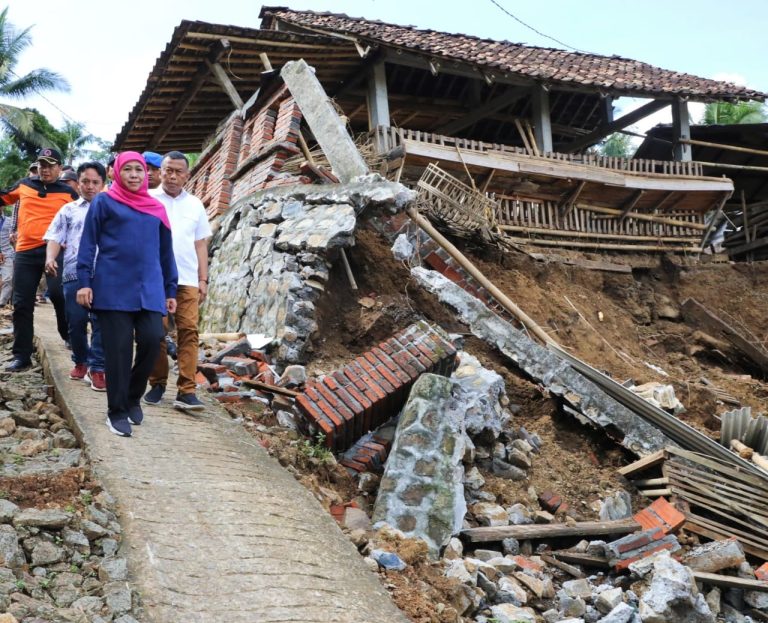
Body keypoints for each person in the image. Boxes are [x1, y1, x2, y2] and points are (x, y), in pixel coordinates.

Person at [76, 152, 177, 437]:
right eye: (128, 170)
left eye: (139, 170)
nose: (134, 175)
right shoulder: (104, 202)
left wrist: (170, 289)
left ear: (146, 175)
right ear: (117, 173)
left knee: (151, 341)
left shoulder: (156, 207)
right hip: (112, 287)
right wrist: (85, 282)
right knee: (118, 352)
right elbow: (88, 244)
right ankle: (116, 411)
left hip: (150, 288)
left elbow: (166, 253)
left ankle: (133, 396)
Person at [144, 151, 211, 412]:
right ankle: (157, 383)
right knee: (155, 331)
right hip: (154, 278)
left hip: (187, 279)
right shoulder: (148, 199)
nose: (172, 176)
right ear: (160, 172)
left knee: (189, 331)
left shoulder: (195, 205)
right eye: (168, 170)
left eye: (178, 171)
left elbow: (200, 244)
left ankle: (187, 390)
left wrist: (203, 279)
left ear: (187, 175)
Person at [1, 148, 77, 371]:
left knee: (58, 294)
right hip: (25, 251)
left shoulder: (68, 193)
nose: (45, 169)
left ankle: (68, 334)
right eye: (42, 164)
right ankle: (21, 355)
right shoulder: (25, 185)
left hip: (54, 252)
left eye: (50, 165)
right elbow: (3, 198)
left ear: (59, 169)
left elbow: (81, 215)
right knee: (22, 303)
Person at [44, 162, 107, 391]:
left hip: (104, 274)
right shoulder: (68, 210)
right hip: (73, 273)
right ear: (78, 183)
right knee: (76, 322)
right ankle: (81, 360)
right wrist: (50, 258)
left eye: (95, 182)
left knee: (101, 322)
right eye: (85, 182)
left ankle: (98, 367)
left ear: (103, 184)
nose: (90, 187)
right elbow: (54, 236)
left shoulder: (111, 208)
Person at [0, 209, 13, 306]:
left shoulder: (10, 221)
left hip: (7, 254)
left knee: (8, 279)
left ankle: (2, 303)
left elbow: (15, 237)